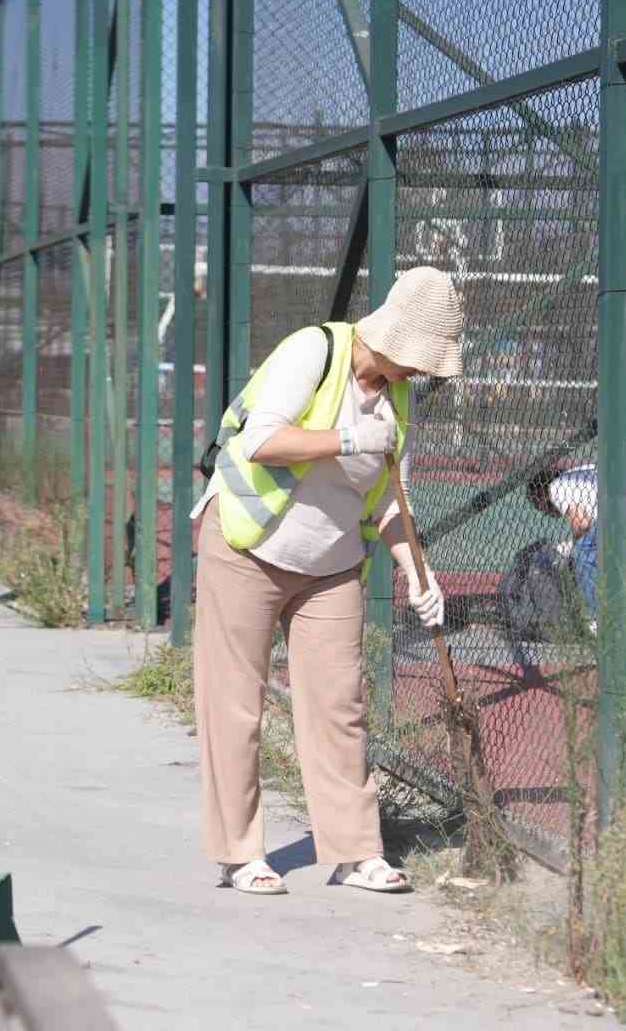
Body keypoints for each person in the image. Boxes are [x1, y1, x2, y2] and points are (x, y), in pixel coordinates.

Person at [192, 265, 462, 897]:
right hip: (248, 546)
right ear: (393, 341)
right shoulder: (313, 351)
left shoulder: (396, 399)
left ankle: (356, 851)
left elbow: (391, 498)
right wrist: (346, 437)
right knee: (235, 703)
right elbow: (261, 443)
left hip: (333, 563)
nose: (422, 374)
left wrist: (418, 575)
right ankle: (239, 854)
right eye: (419, 361)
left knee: (340, 705)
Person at [525, 462, 626, 631]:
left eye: (537, 505)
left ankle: (600, 621)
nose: (542, 511)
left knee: (583, 551)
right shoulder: (580, 472)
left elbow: (582, 524)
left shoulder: (556, 487)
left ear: (539, 493)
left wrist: (572, 553)